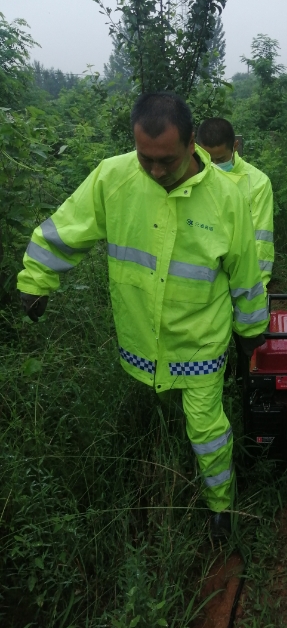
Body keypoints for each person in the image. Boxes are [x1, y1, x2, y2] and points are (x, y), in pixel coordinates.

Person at [17, 92, 269, 539]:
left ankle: (221, 508)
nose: (154, 170)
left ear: (192, 143)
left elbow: (245, 276)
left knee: (206, 428)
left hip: (200, 340)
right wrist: (36, 280)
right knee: (162, 417)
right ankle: (166, 468)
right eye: (144, 158)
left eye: (166, 160)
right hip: (140, 338)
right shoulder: (113, 177)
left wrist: (251, 332)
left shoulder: (226, 199)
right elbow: (66, 229)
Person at [196, 118, 274, 290]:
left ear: (235, 146)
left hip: (242, 278)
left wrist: (257, 288)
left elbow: (261, 242)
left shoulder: (257, 183)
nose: (214, 166)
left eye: (220, 158)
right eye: (208, 159)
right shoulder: (192, 178)